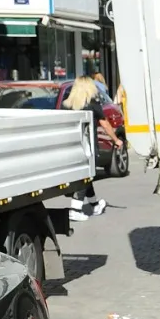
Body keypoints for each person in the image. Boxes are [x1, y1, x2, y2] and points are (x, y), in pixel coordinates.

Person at [63, 75, 112, 219]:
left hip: (72, 146)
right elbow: (105, 123)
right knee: (86, 176)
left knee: (87, 177)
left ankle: (95, 205)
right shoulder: (92, 104)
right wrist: (116, 140)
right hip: (89, 147)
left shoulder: (67, 105)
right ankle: (75, 209)